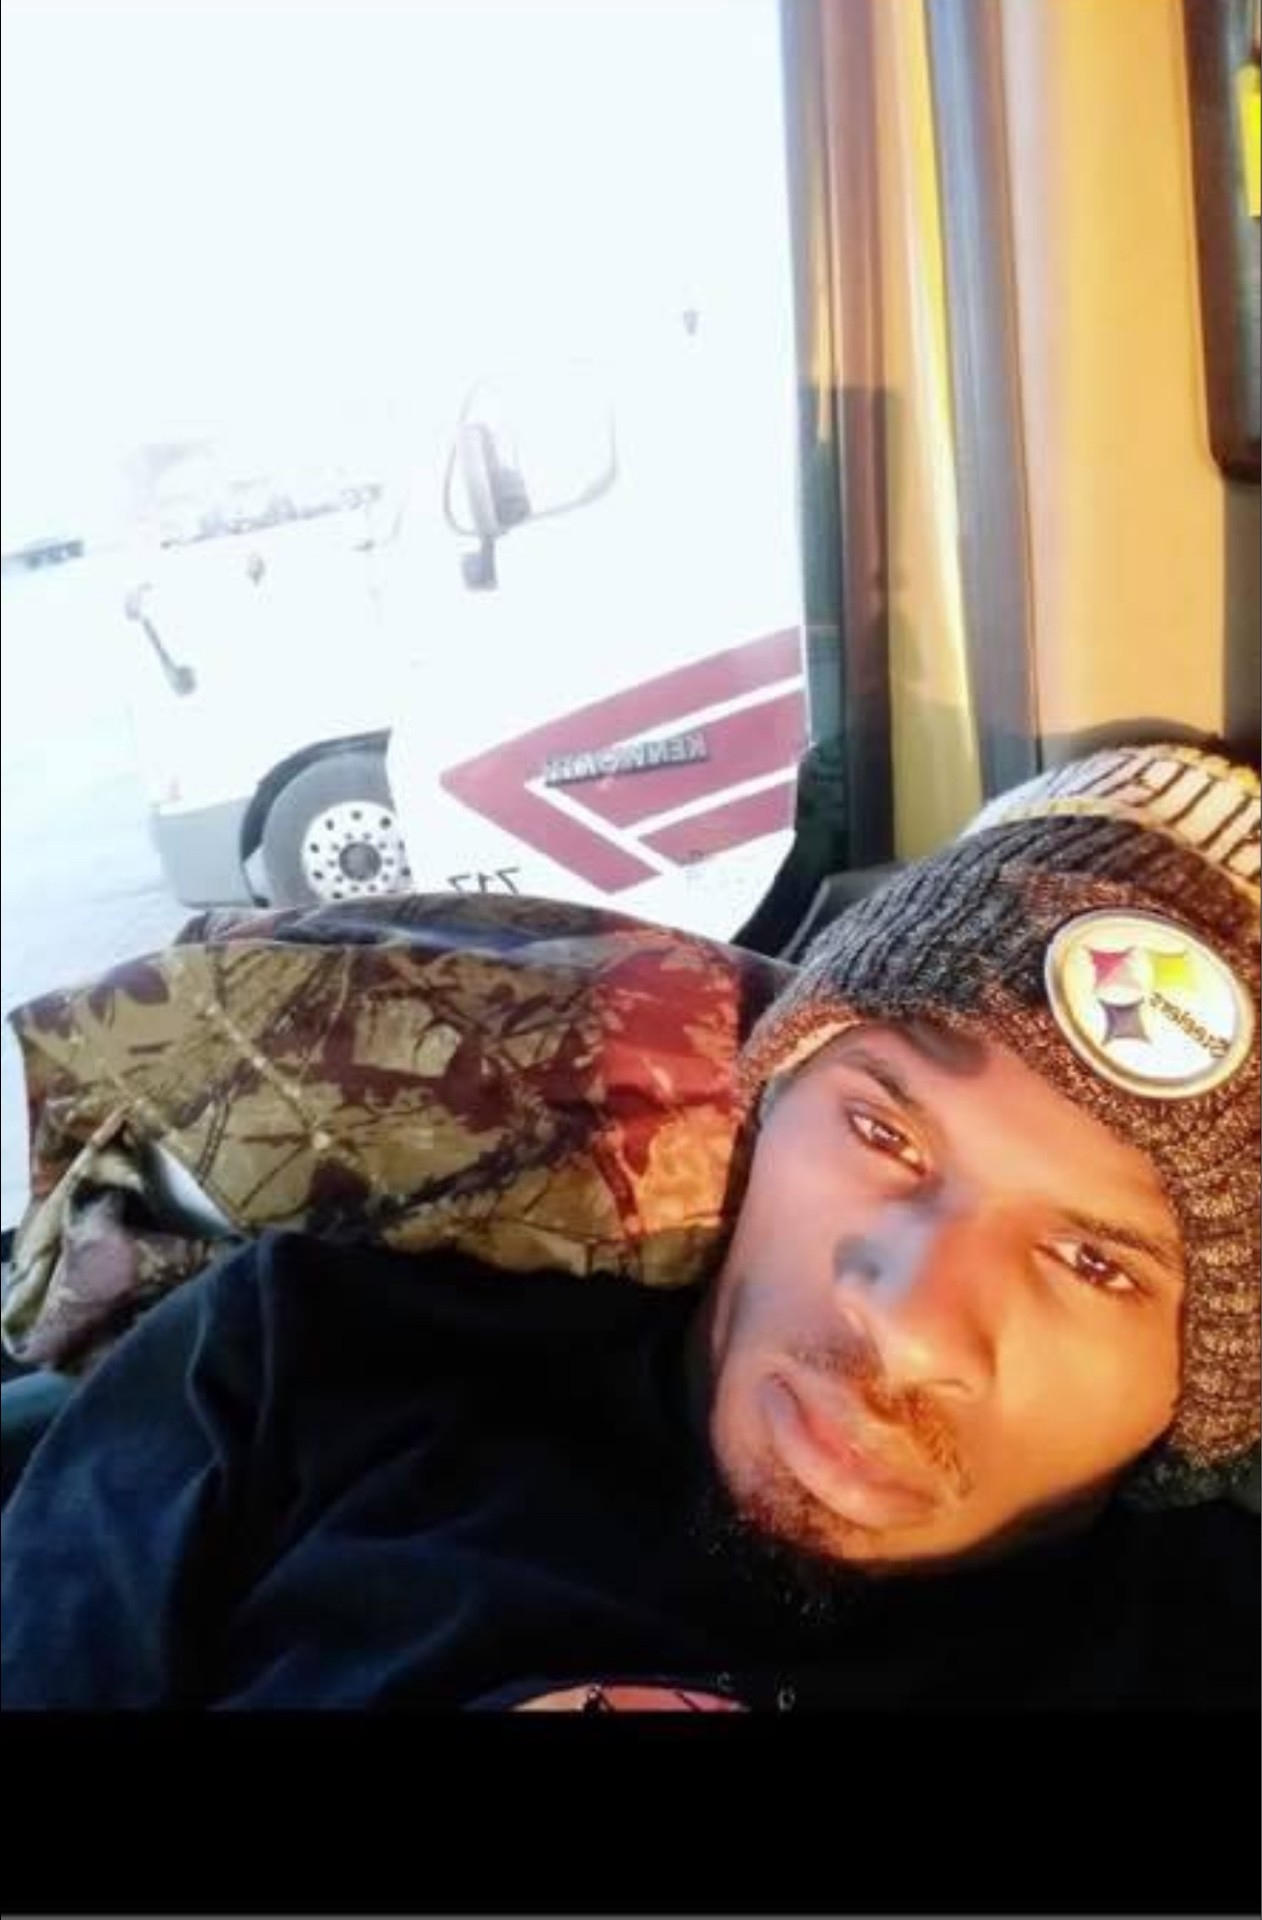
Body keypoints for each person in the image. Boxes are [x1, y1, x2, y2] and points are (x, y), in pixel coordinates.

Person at [1, 741, 1258, 1710]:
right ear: (767, 1106)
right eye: (883, 1134)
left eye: (1091, 1262)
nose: (907, 1319)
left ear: (1204, 1390)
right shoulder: (304, 1358)